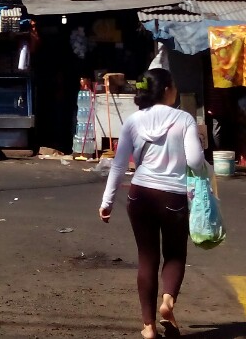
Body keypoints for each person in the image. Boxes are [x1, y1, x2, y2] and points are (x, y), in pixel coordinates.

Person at [99, 68, 204, 339]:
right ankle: (167, 301)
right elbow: (195, 162)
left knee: (147, 258)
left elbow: (119, 165)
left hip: (140, 195)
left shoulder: (133, 121)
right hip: (173, 197)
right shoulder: (184, 119)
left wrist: (107, 201)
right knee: (175, 254)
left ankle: (148, 327)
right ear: (167, 90)